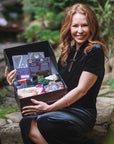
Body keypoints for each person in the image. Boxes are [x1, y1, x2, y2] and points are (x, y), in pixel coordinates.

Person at [5, 3, 107, 144]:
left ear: (92, 27)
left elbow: (81, 90)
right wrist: (17, 82)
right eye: (75, 26)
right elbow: (50, 81)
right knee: (27, 122)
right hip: (61, 109)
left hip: (81, 112)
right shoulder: (68, 52)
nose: (80, 30)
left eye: (84, 25)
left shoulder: (95, 51)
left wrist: (49, 108)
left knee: (45, 121)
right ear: (69, 27)